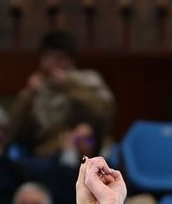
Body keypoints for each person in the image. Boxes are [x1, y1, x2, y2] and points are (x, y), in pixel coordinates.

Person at [10, 31, 115, 159]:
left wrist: (69, 85)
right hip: (46, 152)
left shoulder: (87, 80)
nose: (54, 63)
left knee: (83, 133)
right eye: (49, 57)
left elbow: (106, 113)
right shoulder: (35, 88)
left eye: (60, 58)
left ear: (70, 60)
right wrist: (28, 96)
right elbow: (15, 132)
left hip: (88, 146)